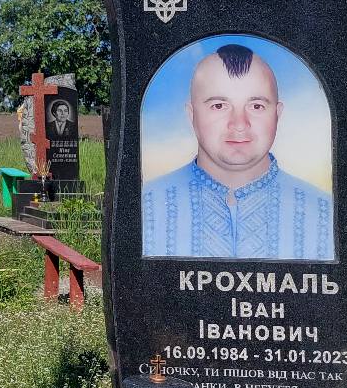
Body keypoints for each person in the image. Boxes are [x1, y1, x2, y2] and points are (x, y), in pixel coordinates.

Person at [141, 43, 333, 260]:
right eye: (219, 106)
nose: (239, 124)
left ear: (277, 114)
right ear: (191, 114)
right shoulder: (145, 207)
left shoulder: (326, 214)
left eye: (256, 106)